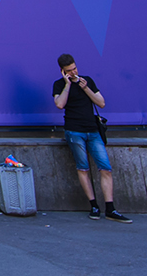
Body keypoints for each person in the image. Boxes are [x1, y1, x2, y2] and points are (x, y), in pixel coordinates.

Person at [52, 53, 131, 222]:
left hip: (93, 131)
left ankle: (110, 208)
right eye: (69, 70)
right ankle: (94, 205)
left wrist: (86, 88)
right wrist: (68, 84)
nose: (74, 72)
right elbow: (60, 104)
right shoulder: (59, 85)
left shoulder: (86, 81)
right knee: (83, 168)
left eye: (75, 68)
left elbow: (101, 103)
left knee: (105, 168)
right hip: (74, 131)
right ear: (62, 71)